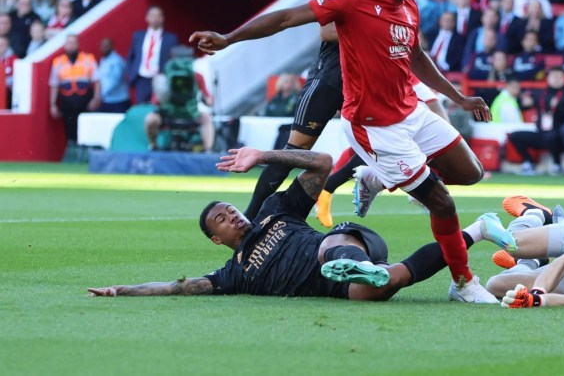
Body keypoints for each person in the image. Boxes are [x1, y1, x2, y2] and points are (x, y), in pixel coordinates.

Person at [191, 0, 498, 302]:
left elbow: (416, 56)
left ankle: (377, 177)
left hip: (409, 110)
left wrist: (458, 98)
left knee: (471, 173)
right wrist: (228, 38)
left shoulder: (409, 5)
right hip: (374, 126)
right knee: (442, 202)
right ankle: (464, 283)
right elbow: (288, 16)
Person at [88, 147, 516, 303]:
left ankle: (353, 263)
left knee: (331, 249)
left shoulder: (276, 210)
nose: (233, 215)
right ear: (217, 239)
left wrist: (264, 155)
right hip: (333, 286)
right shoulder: (234, 274)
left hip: (346, 241)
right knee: (380, 287)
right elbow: (180, 287)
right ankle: (479, 229)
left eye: (230, 209)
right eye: (222, 219)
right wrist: (122, 289)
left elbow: (323, 164)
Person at [202, 0, 375, 227]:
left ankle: (328, 190)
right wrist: (374, 28)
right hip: (330, 78)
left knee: (380, 142)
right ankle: (252, 219)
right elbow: (326, 32)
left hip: (360, 80)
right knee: (295, 150)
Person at [507, 67, 564, 176]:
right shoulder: (542, 93)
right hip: (542, 133)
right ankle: (529, 163)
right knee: (515, 136)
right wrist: (523, 101)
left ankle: (557, 164)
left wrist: (558, 106)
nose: (556, 79)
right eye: (554, 76)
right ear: (548, 78)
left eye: (559, 76)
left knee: (552, 136)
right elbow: (524, 105)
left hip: (560, 136)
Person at [49, 34, 100, 144]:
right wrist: (52, 104)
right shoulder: (58, 61)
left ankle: (83, 155)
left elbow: (97, 81)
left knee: (86, 130)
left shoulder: (88, 58)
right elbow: (54, 84)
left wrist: (96, 99)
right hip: (67, 102)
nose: (71, 46)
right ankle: (72, 154)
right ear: (65, 45)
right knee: (69, 131)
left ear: (78, 44)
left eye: (73, 43)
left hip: (85, 102)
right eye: (69, 43)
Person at [126, 6, 177, 104]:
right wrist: (131, 72)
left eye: (158, 16)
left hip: (160, 78)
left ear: (162, 18)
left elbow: (173, 60)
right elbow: (130, 56)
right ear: (147, 18)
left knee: (161, 107)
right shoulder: (138, 36)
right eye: (152, 15)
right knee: (141, 108)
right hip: (142, 79)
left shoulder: (170, 38)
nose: (155, 18)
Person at [97, 37, 129, 113]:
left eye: (106, 46)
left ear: (112, 46)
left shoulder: (116, 61)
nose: (104, 48)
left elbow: (114, 81)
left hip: (119, 101)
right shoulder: (103, 59)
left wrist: (99, 96)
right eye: (102, 46)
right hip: (107, 100)